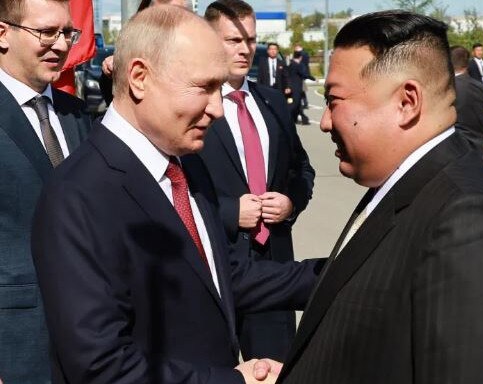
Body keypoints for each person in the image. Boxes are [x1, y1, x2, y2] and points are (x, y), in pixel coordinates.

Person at [32, 6, 323, 384]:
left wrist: (336, 273)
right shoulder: (77, 197)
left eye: (220, 88)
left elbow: (217, 277)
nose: (218, 109)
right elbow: (100, 367)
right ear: (139, 77)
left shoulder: (185, 164)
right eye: (204, 88)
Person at [277, 10, 483, 384]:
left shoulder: (470, 216)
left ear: (407, 102)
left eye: (334, 100)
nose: (324, 121)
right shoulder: (405, 182)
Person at [201, 0, 315, 362]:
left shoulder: (272, 103)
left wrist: (291, 203)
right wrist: (230, 212)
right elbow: (171, 187)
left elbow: (301, 169)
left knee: (274, 370)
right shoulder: (191, 104)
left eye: (250, 40)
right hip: (214, 268)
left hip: (273, 266)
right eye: (233, 39)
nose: (244, 49)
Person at [0, 0, 91, 382]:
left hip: (87, 339)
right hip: (16, 345)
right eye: (45, 32)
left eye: (67, 33)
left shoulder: (77, 114)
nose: (59, 44)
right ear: (2, 33)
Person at [99, 0, 192, 106]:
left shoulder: (199, 55)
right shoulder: (134, 50)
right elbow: (115, 101)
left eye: (173, 13)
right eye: (156, 14)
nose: (164, 20)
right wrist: (112, 73)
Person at [451, 45, 483, 160]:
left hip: (456, 149)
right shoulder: (480, 87)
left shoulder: (448, 87)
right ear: (467, 63)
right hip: (479, 148)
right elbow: (482, 113)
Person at [288, 50, 314, 125]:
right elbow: (304, 74)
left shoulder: (290, 64)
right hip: (296, 88)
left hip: (291, 87)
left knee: (298, 105)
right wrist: (313, 78)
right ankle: (294, 118)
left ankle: (299, 119)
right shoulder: (297, 65)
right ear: (300, 57)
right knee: (295, 105)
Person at [293, 44, 311, 109]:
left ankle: (303, 103)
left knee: (300, 88)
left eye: (295, 48)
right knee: (301, 89)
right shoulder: (305, 53)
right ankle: (304, 103)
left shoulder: (301, 54)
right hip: (303, 72)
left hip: (300, 73)